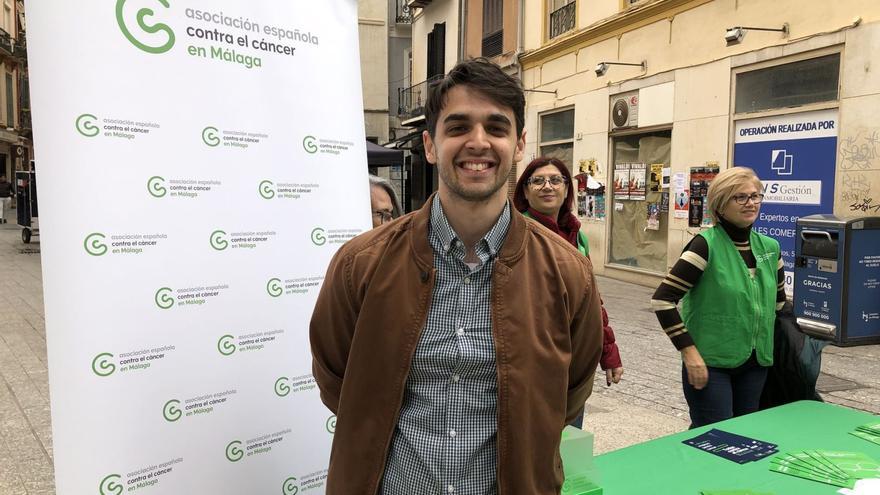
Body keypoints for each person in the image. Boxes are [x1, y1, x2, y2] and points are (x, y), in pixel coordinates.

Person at [310, 58, 603, 494]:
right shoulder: (361, 264)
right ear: (431, 145)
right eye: (459, 126)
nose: (478, 142)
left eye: (497, 127)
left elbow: (568, 392)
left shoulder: (567, 272)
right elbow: (336, 377)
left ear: (519, 144)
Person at [651, 166, 785, 428]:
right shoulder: (705, 245)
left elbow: (780, 305)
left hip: (756, 363)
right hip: (711, 364)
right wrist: (690, 353)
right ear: (721, 204)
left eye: (756, 196)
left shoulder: (770, 248)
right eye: (741, 197)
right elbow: (662, 300)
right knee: (714, 438)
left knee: (745, 435)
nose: (751, 203)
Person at [512, 157, 623, 429]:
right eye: (537, 181)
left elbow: (592, 301)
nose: (547, 186)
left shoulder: (577, 236)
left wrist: (608, 351)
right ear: (525, 191)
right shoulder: (515, 233)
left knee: (569, 444)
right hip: (530, 361)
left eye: (555, 180)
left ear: (566, 190)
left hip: (572, 361)